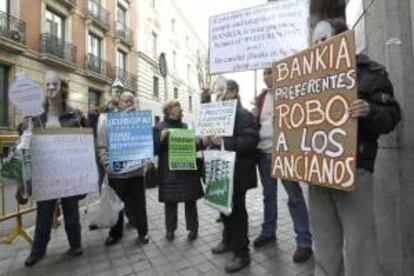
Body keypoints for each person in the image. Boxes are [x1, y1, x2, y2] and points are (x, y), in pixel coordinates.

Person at [309, 19, 401, 276]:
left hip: (353, 169)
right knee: (324, 242)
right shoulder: (308, 77)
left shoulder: (371, 72)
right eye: (314, 41)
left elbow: (391, 117)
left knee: (360, 243)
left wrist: (370, 111)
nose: (318, 46)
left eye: (323, 40)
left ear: (343, 40)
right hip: (316, 171)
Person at [24, 71, 86, 267]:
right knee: (43, 214)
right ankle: (37, 251)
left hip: (69, 173)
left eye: (55, 86)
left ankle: (75, 244)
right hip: (46, 173)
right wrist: (25, 127)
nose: (51, 89)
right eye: (48, 86)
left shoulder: (75, 115)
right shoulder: (37, 115)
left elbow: (85, 141)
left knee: (71, 212)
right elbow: (24, 136)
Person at [252, 68, 313, 262]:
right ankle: (268, 231)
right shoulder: (261, 98)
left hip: (284, 152)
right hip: (263, 154)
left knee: (294, 196)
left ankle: (304, 242)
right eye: (264, 74)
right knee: (268, 196)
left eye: (269, 72)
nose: (265, 76)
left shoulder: (290, 91)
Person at [208, 80, 259, 273]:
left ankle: (242, 253)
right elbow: (213, 139)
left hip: (238, 172)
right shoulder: (217, 114)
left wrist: (224, 141)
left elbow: (250, 141)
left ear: (234, 92)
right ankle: (228, 241)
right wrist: (208, 140)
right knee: (224, 208)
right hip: (220, 169)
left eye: (223, 91)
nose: (219, 94)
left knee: (237, 212)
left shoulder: (244, 115)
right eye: (218, 91)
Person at [97, 91, 149, 246]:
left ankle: (143, 232)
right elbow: (101, 146)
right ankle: (115, 233)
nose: (129, 103)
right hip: (117, 173)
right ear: (118, 103)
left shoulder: (140, 120)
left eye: (132, 101)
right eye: (126, 101)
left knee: (140, 204)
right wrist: (107, 164)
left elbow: (146, 144)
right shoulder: (107, 120)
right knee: (116, 206)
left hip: (136, 172)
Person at [153, 100, 204, 242]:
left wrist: (200, 143)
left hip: (187, 170)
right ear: (168, 110)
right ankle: (170, 230)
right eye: (177, 107)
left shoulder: (186, 127)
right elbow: (153, 150)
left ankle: (193, 229)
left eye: (180, 107)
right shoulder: (159, 128)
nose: (180, 109)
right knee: (170, 202)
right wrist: (161, 138)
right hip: (169, 172)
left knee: (190, 201)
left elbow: (193, 148)